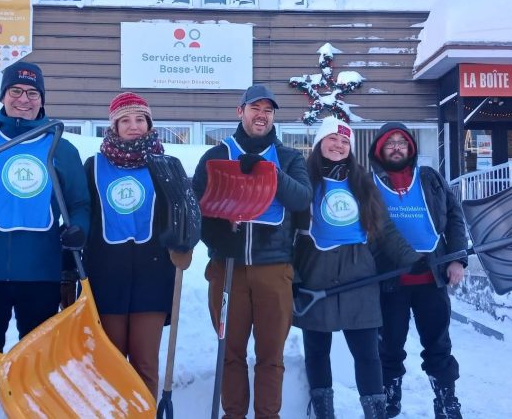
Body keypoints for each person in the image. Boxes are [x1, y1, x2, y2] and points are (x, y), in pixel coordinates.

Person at [0, 61, 91, 418]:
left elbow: (79, 203)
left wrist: (78, 229)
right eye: (15, 91)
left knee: (36, 369)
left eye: (32, 93)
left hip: (40, 276)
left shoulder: (60, 147)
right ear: (3, 97)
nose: (24, 99)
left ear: (42, 100)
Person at [192, 84, 312, 419]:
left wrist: (268, 171)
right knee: (230, 352)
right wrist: (217, 237)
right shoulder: (216, 156)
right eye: (254, 108)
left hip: (273, 269)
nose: (261, 116)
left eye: (268, 110)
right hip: (227, 268)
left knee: (270, 356)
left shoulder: (288, 158)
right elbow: (196, 207)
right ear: (240, 111)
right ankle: (233, 415)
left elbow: (302, 198)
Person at [291, 117, 425, 419]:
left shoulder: (363, 181)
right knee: (316, 351)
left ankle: (374, 413)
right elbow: (287, 232)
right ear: (319, 143)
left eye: (344, 141)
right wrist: (293, 276)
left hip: (359, 275)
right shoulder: (303, 179)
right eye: (332, 139)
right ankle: (324, 412)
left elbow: (385, 229)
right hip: (316, 273)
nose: (338, 145)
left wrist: (412, 258)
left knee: (367, 354)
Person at [81, 92, 192, 399]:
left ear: (149, 124)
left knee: (144, 365)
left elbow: (186, 214)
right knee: (110, 366)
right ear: (113, 126)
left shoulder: (168, 165)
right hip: (106, 280)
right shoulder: (93, 167)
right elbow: (82, 214)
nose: (133, 126)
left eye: (140, 119)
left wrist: (185, 242)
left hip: (152, 279)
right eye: (125, 120)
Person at [368, 122, 467, 419]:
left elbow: (454, 217)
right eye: (390, 143)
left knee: (438, 344)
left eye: (402, 142)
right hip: (390, 281)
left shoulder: (429, 178)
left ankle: (446, 400)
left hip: (431, 277)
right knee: (389, 346)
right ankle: (389, 397)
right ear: (379, 150)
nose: (396, 147)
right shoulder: (368, 184)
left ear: (410, 148)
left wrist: (456, 259)